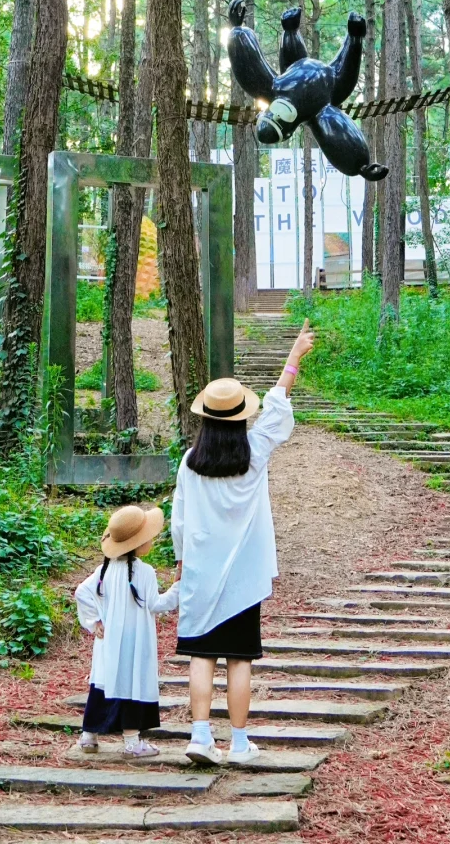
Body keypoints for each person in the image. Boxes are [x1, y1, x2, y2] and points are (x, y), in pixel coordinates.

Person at [171, 318, 316, 766]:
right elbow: (276, 407)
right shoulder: (253, 454)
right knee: (238, 659)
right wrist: (293, 358)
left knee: (201, 653)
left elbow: (179, 519)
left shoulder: (190, 463)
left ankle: (199, 736)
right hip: (243, 577)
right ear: (240, 418)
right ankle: (237, 743)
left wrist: (180, 561)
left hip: (201, 571)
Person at [74, 503, 179, 759]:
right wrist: (178, 588)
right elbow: (156, 604)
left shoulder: (104, 570)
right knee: (131, 684)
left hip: (108, 642)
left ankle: (89, 735)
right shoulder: (145, 572)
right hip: (135, 642)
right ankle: (132, 742)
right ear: (138, 543)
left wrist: (95, 621)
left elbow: (81, 592)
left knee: (102, 682)